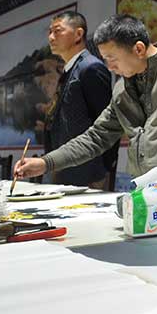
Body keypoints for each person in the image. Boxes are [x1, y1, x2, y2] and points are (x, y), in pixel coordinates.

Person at [15, 14, 157, 187]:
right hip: (146, 193)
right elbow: (96, 137)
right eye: (105, 59)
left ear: (138, 49)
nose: (109, 67)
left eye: (112, 58)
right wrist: (46, 163)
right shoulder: (122, 88)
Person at [44, 11, 118, 188]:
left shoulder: (91, 68)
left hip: (89, 175)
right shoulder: (70, 70)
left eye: (58, 31)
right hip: (65, 170)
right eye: (49, 32)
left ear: (78, 34)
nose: (51, 37)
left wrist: (102, 171)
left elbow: (108, 125)